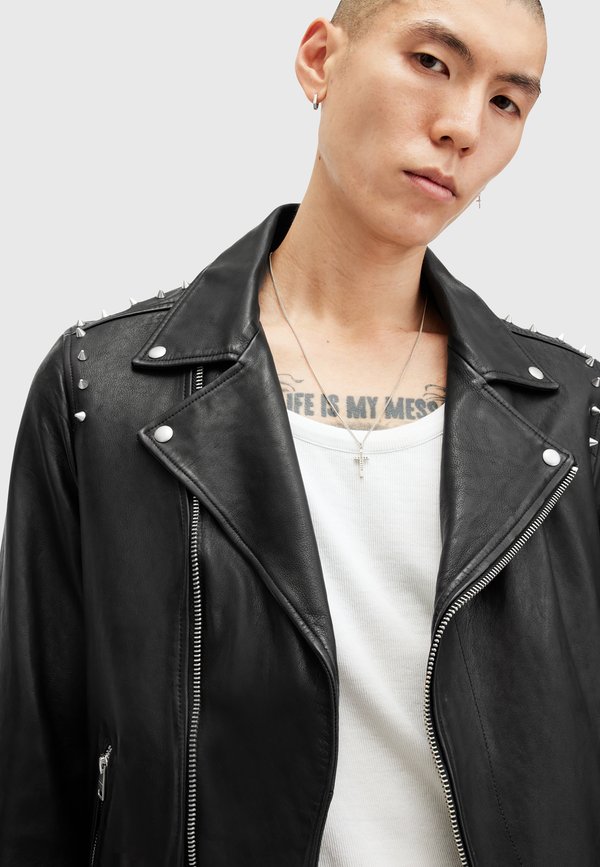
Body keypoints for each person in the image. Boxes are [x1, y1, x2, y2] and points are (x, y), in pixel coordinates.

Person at [1, 0, 598, 865]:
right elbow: (35, 774)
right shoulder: (105, 390)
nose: (464, 127)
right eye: (433, 62)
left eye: (507, 101)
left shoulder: (571, 413)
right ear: (320, 58)